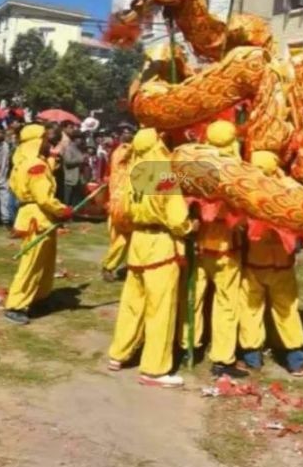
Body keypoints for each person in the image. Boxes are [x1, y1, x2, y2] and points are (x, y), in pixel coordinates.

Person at [107, 128, 193, 388]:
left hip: (138, 243)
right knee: (160, 309)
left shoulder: (134, 173)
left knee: (132, 304)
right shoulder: (161, 175)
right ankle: (154, 370)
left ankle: (118, 354)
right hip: (160, 245)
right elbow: (177, 218)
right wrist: (190, 228)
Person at [181, 120, 247, 378]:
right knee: (226, 304)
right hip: (227, 250)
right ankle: (222, 359)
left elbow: (155, 182)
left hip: (198, 246)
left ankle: (187, 346)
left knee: (192, 298)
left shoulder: (194, 168)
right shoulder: (239, 172)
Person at [238, 151, 303, 375]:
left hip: (256, 262)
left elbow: (239, 223)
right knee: (287, 310)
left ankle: (252, 359)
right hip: (282, 264)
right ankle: (296, 360)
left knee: (250, 310)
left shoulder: (249, 189)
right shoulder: (289, 190)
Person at [3, 124, 72, 325]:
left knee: (46, 263)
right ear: (36, 141)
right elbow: (44, 198)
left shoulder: (27, 162)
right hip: (37, 217)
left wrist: (55, 154)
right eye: (44, 139)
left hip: (38, 216)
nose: (47, 143)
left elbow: (46, 172)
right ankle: (15, 305)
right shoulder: (36, 166)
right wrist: (63, 210)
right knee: (32, 264)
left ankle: (40, 298)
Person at [101, 140, 133, 281]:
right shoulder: (123, 151)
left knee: (126, 239)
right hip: (120, 204)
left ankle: (129, 267)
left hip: (125, 202)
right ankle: (108, 266)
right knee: (122, 238)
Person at [61, 132, 86, 206]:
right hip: (70, 178)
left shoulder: (79, 149)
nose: (81, 140)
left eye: (81, 139)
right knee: (67, 200)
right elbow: (68, 161)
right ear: (74, 139)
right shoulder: (69, 148)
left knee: (75, 200)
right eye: (79, 138)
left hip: (78, 178)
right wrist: (81, 159)